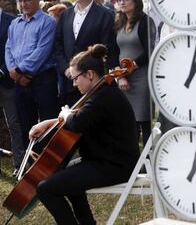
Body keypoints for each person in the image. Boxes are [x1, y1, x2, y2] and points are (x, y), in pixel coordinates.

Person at [29, 44, 139, 225]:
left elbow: (77, 121)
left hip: (115, 166)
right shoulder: (100, 95)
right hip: (103, 160)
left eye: (75, 78)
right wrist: (50, 122)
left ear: (89, 74)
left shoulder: (104, 97)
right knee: (66, 178)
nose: (73, 84)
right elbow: (80, 118)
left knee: (45, 189)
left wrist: (65, 114)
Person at [5, 0, 59, 155]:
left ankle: (48, 165)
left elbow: (43, 50)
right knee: (25, 124)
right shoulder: (15, 23)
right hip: (20, 82)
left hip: (43, 80)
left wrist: (21, 70)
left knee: (47, 125)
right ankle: (29, 165)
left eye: (26, 0)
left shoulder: (47, 22)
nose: (23, 4)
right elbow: (8, 48)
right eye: (20, 1)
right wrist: (13, 70)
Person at [55, 0, 118, 106]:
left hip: (93, 81)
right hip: (69, 81)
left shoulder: (105, 15)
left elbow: (107, 47)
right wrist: (67, 68)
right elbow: (58, 45)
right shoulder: (65, 14)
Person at [115, 0, 156, 148]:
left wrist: (132, 67)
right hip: (124, 77)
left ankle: (147, 163)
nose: (122, 3)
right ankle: (132, 162)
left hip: (141, 78)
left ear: (136, 0)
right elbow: (114, 51)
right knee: (128, 123)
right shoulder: (119, 22)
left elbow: (150, 50)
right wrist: (121, 75)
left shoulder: (146, 21)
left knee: (144, 122)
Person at [0, 0, 23, 177]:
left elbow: (15, 49)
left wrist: (4, 69)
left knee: (14, 123)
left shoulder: (12, 21)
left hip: (7, 80)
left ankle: (19, 163)